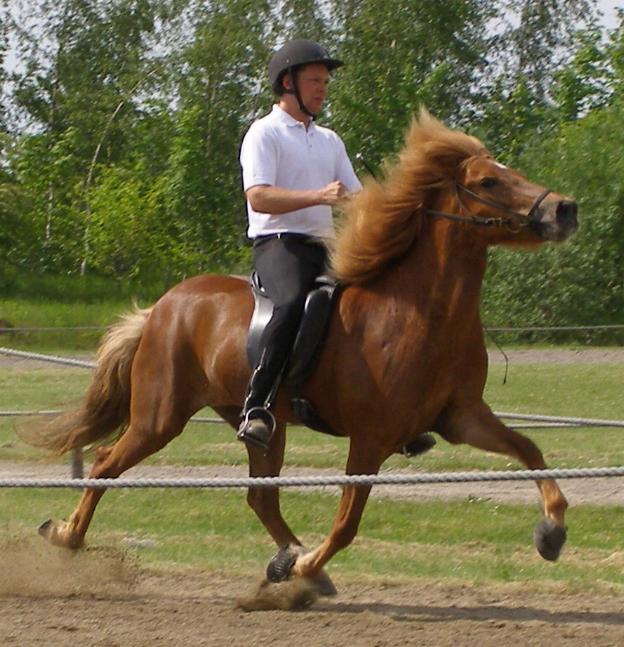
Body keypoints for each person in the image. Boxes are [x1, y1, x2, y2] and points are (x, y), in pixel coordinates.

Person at [237, 39, 362, 451]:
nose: (323, 89)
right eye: (314, 81)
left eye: (325, 82)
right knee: (291, 303)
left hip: (326, 245)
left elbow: (356, 196)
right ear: (287, 83)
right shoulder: (264, 133)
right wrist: (318, 196)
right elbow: (258, 197)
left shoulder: (330, 140)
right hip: (279, 244)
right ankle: (259, 404)